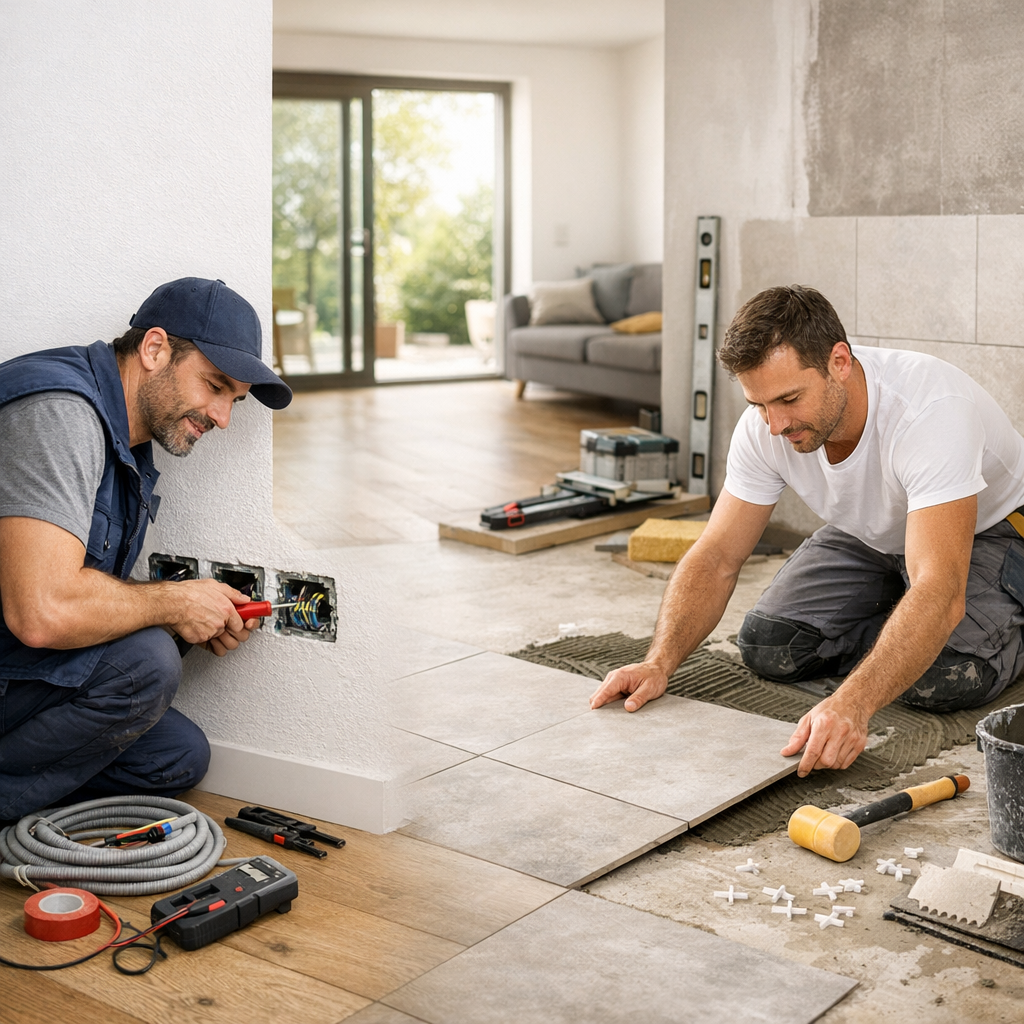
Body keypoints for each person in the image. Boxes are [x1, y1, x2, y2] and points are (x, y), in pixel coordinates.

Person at [590, 285, 1024, 777]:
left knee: (943, 678)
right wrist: (659, 661)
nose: (774, 425)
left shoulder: (928, 410)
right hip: (872, 534)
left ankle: (1002, 622)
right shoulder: (767, 426)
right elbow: (716, 557)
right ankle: (904, 623)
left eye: (789, 399)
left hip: (989, 530)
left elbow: (939, 588)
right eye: (759, 404)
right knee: (769, 644)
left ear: (839, 361)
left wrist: (853, 703)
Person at [0, 278, 292, 822]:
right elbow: (41, 613)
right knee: (145, 665)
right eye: (214, 386)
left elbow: (81, 591)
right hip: (17, 647)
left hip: (16, 664)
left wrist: (186, 616)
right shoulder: (60, 414)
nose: (223, 418)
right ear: (154, 349)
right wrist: (175, 605)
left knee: (176, 756)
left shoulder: (129, 444)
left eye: (234, 400)